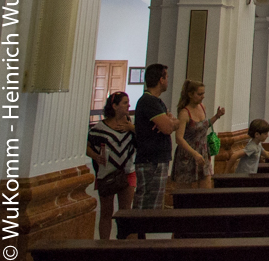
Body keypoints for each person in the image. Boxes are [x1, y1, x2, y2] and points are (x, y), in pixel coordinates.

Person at [87, 91, 136, 240]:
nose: (128, 106)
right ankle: (104, 245)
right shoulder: (100, 128)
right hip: (106, 174)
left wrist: (132, 128)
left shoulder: (130, 125)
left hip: (128, 171)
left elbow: (143, 140)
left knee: (125, 212)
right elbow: (87, 145)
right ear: (114, 106)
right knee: (106, 212)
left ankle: (124, 244)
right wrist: (96, 156)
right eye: (125, 103)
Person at [133, 64, 179, 210]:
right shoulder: (148, 101)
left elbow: (174, 123)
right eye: (166, 77)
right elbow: (168, 128)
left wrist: (170, 121)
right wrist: (169, 122)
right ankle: (138, 226)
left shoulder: (157, 102)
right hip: (151, 160)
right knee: (147, 203)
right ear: (161, 79)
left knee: (154, 203)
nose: (167, 81)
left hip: (157, 159)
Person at [171, 79, 224, 190]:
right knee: (185, 190)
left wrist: (217, 116)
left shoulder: (202, 107)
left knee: (206, 186)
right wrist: (194, 153)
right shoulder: (184, 113)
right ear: (190, 95)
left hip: (203, 151)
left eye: (203, 93)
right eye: (199, 94)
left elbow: (203, 126)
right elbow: (179, 138)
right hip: (188, 153)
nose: (202, 96)